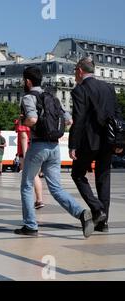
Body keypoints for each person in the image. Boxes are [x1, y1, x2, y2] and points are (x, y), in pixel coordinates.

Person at [15, 66, 93, 238]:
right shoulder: (52, 97)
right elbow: (69, 120)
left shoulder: (29, 97)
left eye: (23, 80)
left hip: (38, 146)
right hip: (55, 147)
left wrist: (25, 121)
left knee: (27, 185)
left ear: (28, 81)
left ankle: (30, 225)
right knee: (56, 188)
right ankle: (81, 213)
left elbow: (32, 119)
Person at [70, 57, 124, 233]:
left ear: (79, 71)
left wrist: (73, 145)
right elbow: (118, 115)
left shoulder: (80, 90)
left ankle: (97, 209)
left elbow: (78, 119)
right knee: (104, 179)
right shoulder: (109, 88)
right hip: (108, 142)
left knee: (77, 174)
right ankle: (104, 223)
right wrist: (119, 140)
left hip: (88, 142)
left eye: (74, 72)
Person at [15, 119, 45, 209]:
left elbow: (23, 137)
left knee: (28, 178)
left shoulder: (24, 119)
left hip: (28, 151)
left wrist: (25, 155)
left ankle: (30, 203)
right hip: (38, 149)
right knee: (36, 175)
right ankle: (39, 200)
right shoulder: (38, 118)